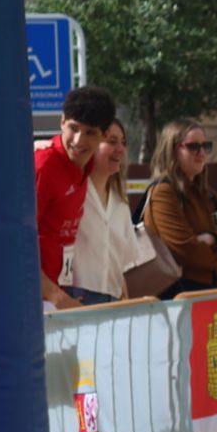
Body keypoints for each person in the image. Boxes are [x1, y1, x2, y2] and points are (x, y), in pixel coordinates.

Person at [142, 120, 217, 294]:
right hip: (177, 295)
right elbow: (187, 251)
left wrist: (214, 239)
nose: (201, 153)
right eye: (193, 147)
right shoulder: (163, 193)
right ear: (172, 150)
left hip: (211, 292)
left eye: (205, 146)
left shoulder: (209, 195)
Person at [35, 84, 115, 310]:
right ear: (61, 121)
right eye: (73, 128)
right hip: (36, 302)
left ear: (104, 134)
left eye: (90, 132)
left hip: (60, 296)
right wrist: (57, 298)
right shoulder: (44, 166)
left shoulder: (86, 166)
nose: (79, 140)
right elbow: (16, 243)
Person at [67, 118, 138, 305]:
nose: (120, 149)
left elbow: (120, 264)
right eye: (112, 141)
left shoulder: (120, 202)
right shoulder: (72, 191)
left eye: (123, 142)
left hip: (112, 302)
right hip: (77, 301)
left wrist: (125, 302)